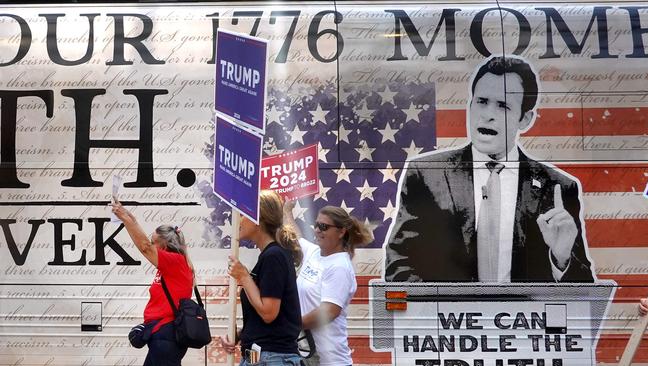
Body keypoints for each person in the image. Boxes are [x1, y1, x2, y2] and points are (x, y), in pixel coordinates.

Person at [384, 55, 596, 283]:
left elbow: (583, 290)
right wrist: (442, 309)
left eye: (503, 106)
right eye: (482, 101)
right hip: (451, 318)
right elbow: (399, 264)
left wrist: (561, 258)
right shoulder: (427, 174)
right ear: (470, 105)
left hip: (524, 318)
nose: (488, 115)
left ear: (525, 119)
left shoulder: (558, 188)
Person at [219, 190, 303, 366]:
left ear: (258, 219)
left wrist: (243, 276)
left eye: (242, 215)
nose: (237, 220)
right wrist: (240, 335)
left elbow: (269, 313)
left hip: (272, 358)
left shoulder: (274, 256)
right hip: (261, 356)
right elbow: (266, 320)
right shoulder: (270, 256)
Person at [284, 202, 373, 366]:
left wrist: (288, 325)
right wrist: (287, 210)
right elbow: (295, 235)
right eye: (317, 225)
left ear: (341, 232)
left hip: (331, 360)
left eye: (324, 226)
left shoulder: (339, 267)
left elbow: (329, 312)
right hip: (309, 356)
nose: (318, 230)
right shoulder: (314, 252)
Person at [111, 199, 194, 366]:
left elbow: (144, 247)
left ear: (164, 243)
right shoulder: (171, 265)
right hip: (162, 335)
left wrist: (125, 220)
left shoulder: (175, 262)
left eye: (154, 241)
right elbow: (146, 245)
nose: (151, 244)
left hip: (166, 336)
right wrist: (131, 219)